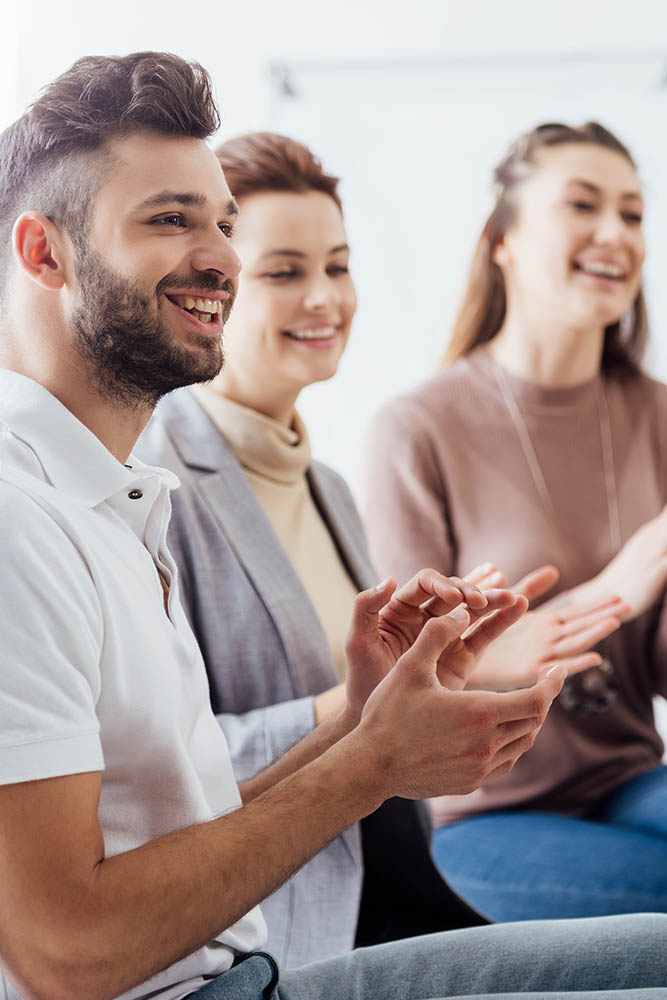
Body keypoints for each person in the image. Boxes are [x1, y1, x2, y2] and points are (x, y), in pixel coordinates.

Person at [0, 55, 665, 1000]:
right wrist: (367, 760)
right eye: (169, 219)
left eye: (224, 222)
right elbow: (67, 954)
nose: (222, 255)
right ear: (44, 253)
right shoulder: (20, 524)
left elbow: (184, 819)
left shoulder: (120, 502)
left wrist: (363, 715)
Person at [137, 131, 509, 967]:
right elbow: (158, 769)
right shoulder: (155, 480)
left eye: (337, 267)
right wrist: (356, 705)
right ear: (214, 282)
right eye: (284, 272)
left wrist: (436, 668)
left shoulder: (329, 485)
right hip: (279, 928)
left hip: (395, 889)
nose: (324, 299)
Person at [360, 121, 667, 922]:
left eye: (632, 214)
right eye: (582, 205)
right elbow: (409, 679)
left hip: (630, 781)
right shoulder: (415, 428)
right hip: (485, 816)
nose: (615, 234)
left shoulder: (655, 415)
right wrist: (617, 589)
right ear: (502, 239)